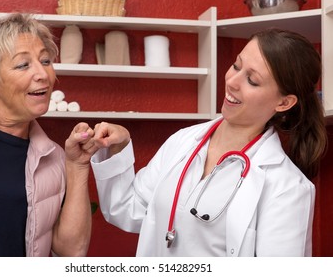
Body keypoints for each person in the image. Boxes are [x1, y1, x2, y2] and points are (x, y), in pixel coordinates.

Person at [89, 28, 328, 256]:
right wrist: (118, 147)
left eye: (252, 80)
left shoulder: (287, 188)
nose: (232, 81)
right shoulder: (183, 141)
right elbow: (128, 209)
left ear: (284, 103)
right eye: (236, 65)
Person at [0, 13, 96, 257]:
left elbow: (71, 252)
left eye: (45, 61)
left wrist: (78, 166)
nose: (43, 74)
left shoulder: (54, 157)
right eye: (23, 64)